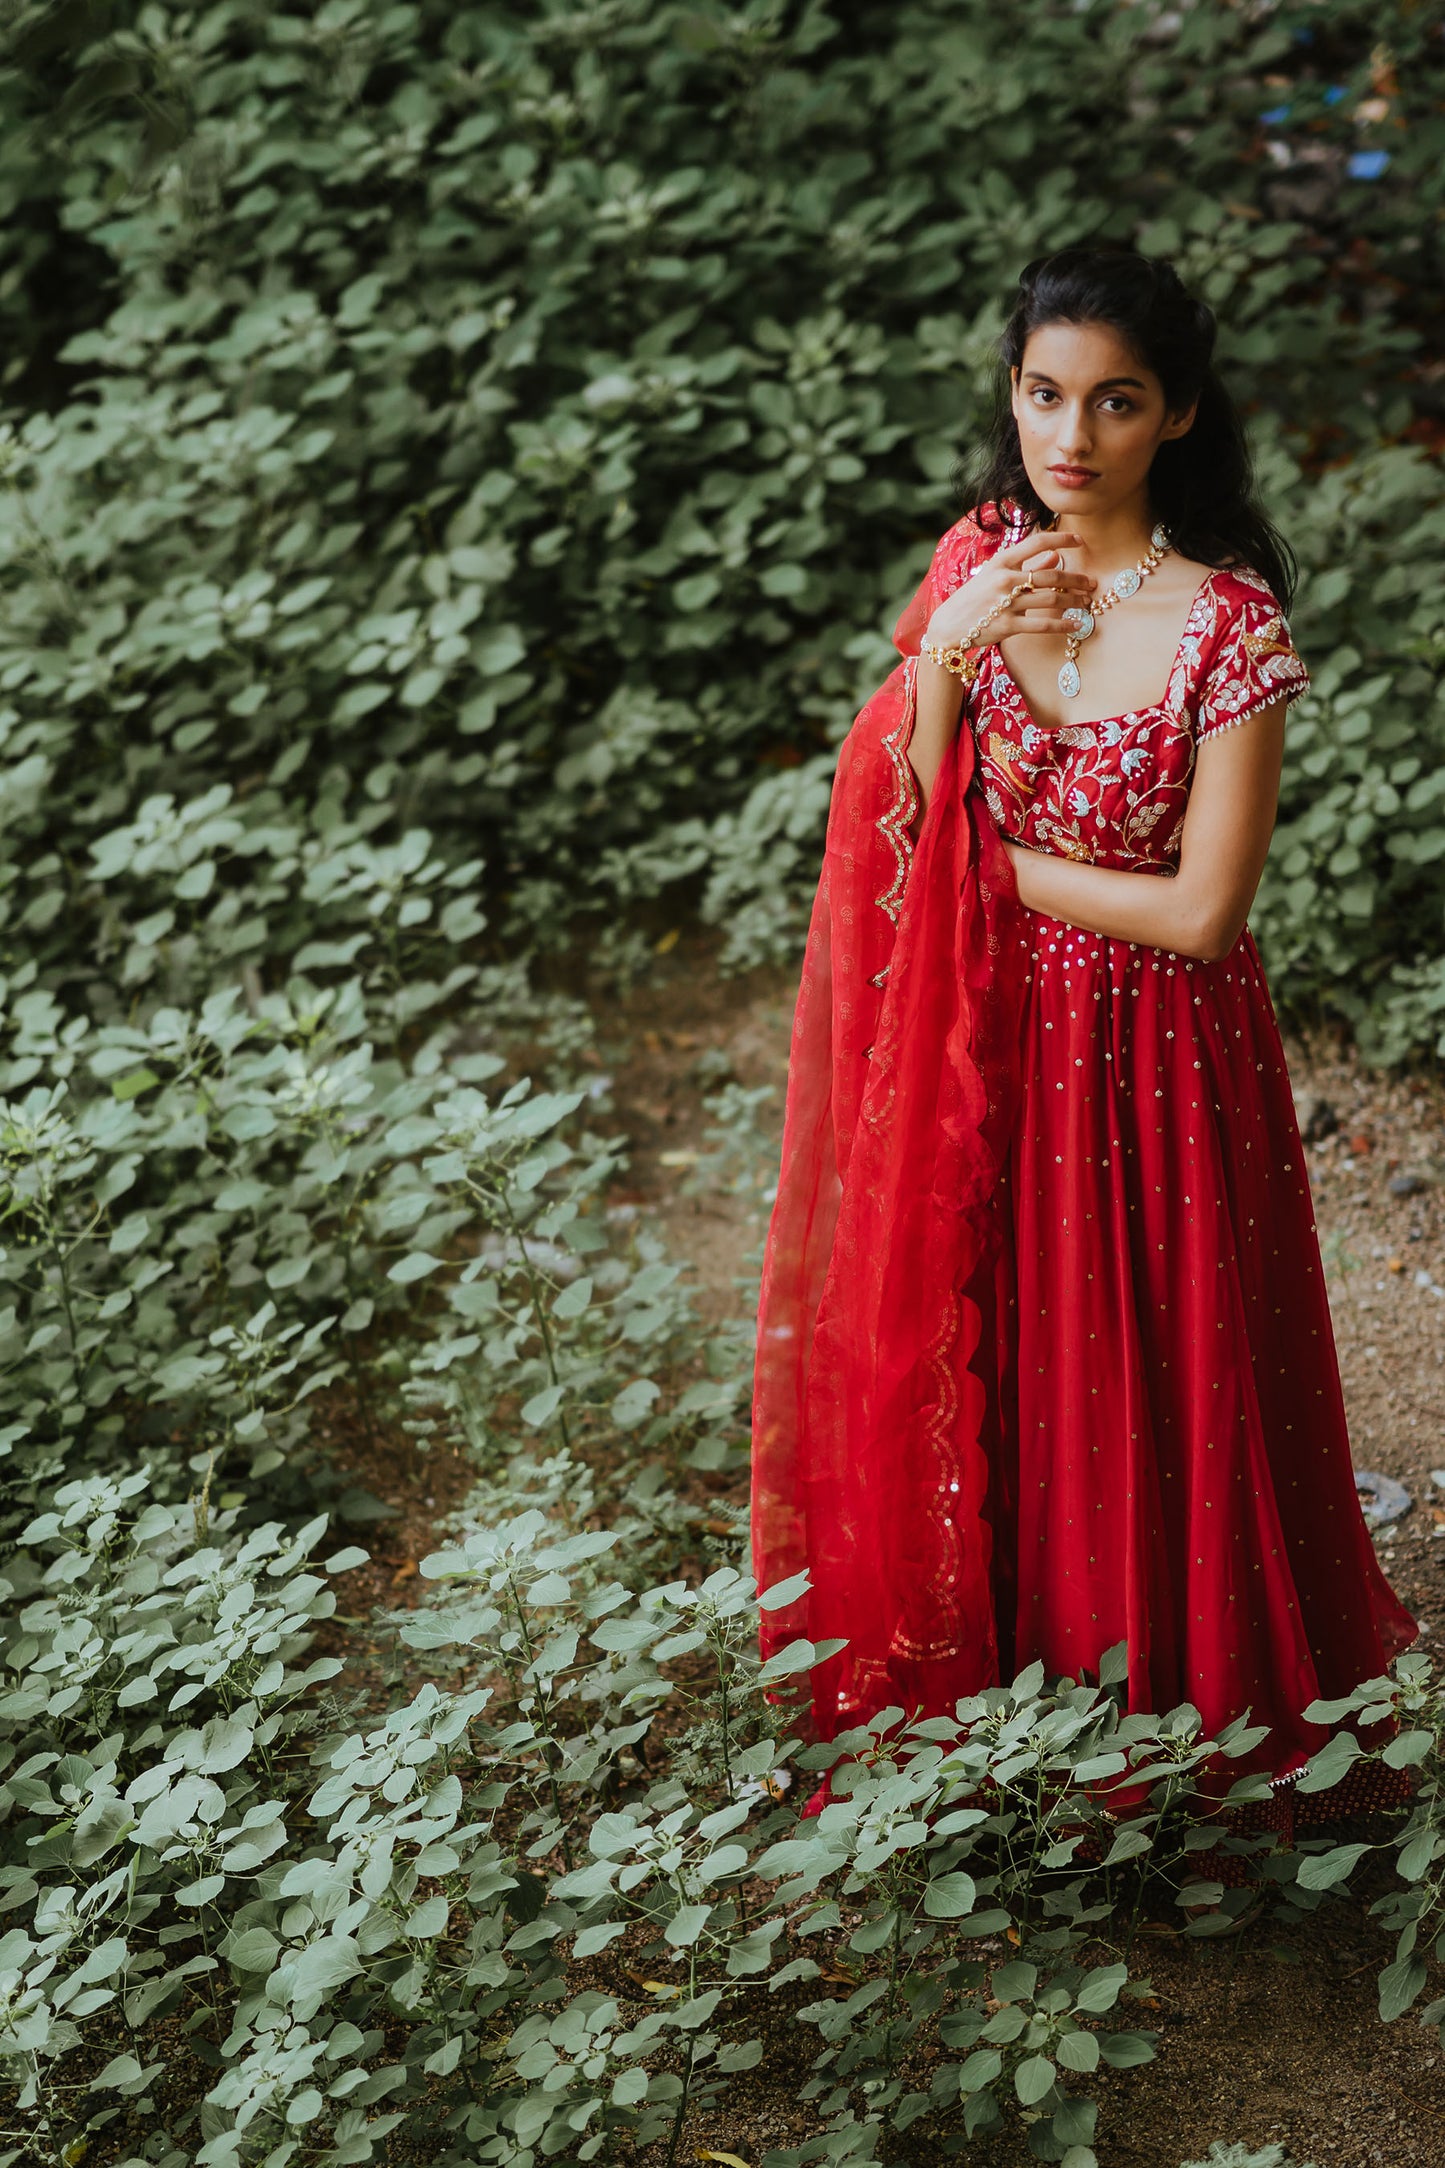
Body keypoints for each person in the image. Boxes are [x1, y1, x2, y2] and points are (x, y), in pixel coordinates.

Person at [750, 246, 1415, 1799]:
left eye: (1114, 402)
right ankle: (1006, 1703)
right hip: (980, 1051)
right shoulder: (975, 560)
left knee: (1146, 1367)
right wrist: (952, 642)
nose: (1071, 435)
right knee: (997, 1359)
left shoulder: (1224, 628)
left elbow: (1200, 915)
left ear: (1175, 416)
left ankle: (1171, 1721)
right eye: (1045, 395)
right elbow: (903, 810)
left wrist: (1012, 868)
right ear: (1012, 397)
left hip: (1161, 1059)